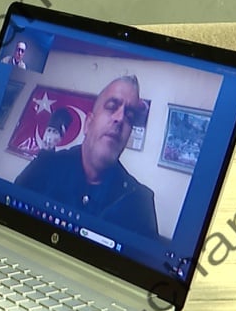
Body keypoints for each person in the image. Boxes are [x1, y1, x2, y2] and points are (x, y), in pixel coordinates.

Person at [14, 75, 159, 238]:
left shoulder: (140, 202)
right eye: (112, 107)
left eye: (129, 116)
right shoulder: (44, 166)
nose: (120, 119)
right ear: (88, 123)